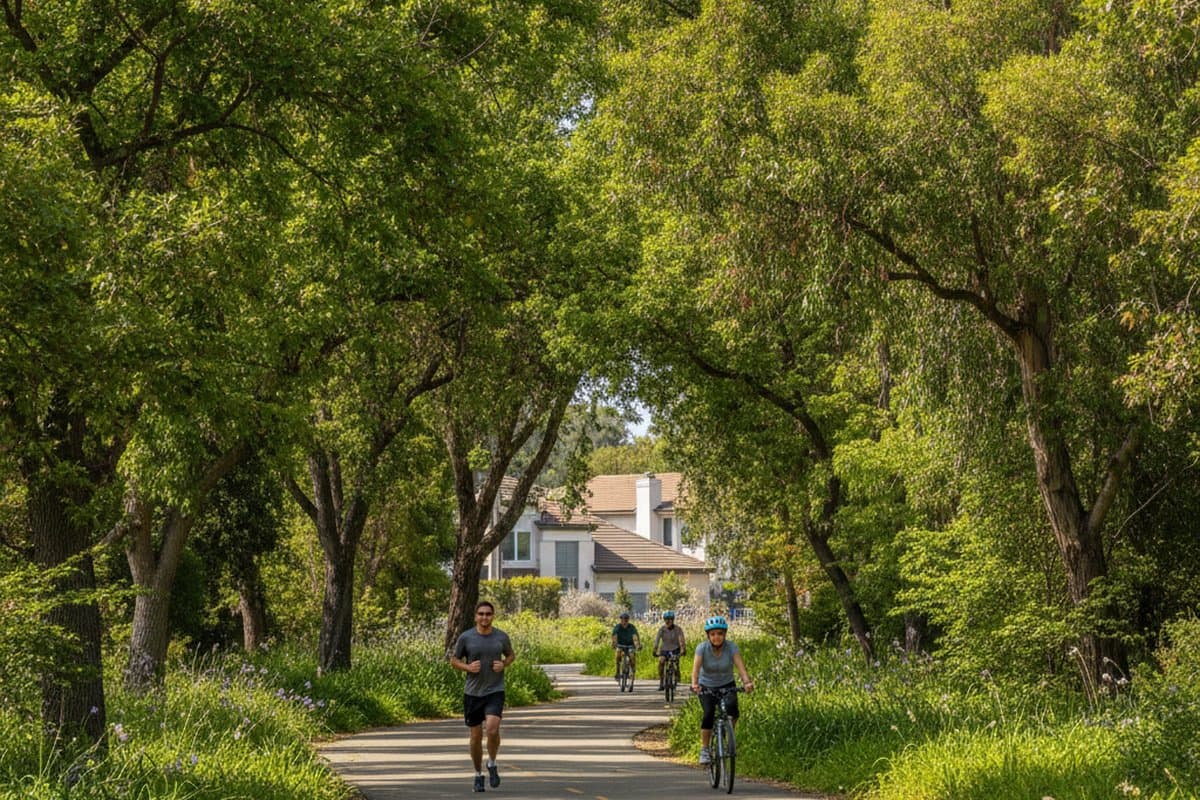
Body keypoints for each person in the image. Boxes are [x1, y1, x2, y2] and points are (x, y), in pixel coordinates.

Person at [450, 600, 515, 792]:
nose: (484, 617)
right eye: (481, 614)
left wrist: (504, 664)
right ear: (475, 616)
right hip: (472, 693)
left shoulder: (501, 637)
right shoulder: (466, 637)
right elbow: (454, 660)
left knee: (493, 730)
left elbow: (511, 655)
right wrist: (467, 667)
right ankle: (478, 774)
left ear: (493, 616)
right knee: (476, 737)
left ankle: (492, 763)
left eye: (488, 614)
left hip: (495, 690)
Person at [690, 615, 753, 766]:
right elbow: (696, 670)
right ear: (708, 636)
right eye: (713, 634)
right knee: (709, 713)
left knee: (733, 710)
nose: (716, 637)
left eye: (719, 633)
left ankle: (727, 733)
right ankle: (705, 749)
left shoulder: (732, 647)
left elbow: (741, 668)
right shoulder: (702, 648)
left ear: (724, 634)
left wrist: (747, 682)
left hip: (727, 684)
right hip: (706, 686)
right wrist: (694, 684)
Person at [653, 610, 686, 691]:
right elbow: (657, 640)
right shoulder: (662, 629)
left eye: (670, 619)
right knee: (661, 662)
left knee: (675, 662)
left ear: (673, 620)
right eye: (666, 619)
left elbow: (681, 640)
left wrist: (682, 649)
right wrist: (655, 649)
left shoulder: (678, 629)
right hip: (664, 649)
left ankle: (676, 675)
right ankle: (661, 682)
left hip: (675, 649)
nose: (668, 621)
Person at [611, 611, 641, 680]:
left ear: (628, 620)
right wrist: (614, 644)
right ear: (620, 620)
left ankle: (632, 670)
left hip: (630, 645)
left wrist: (637, 645)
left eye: (626, 619)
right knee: (618, 654)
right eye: (622, 619)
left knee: (632, 655)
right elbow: (614, 637)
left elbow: (635, 637)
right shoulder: (617, 627)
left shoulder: (632, 627)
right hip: (620, 645)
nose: (624, 621)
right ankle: (618, 671)